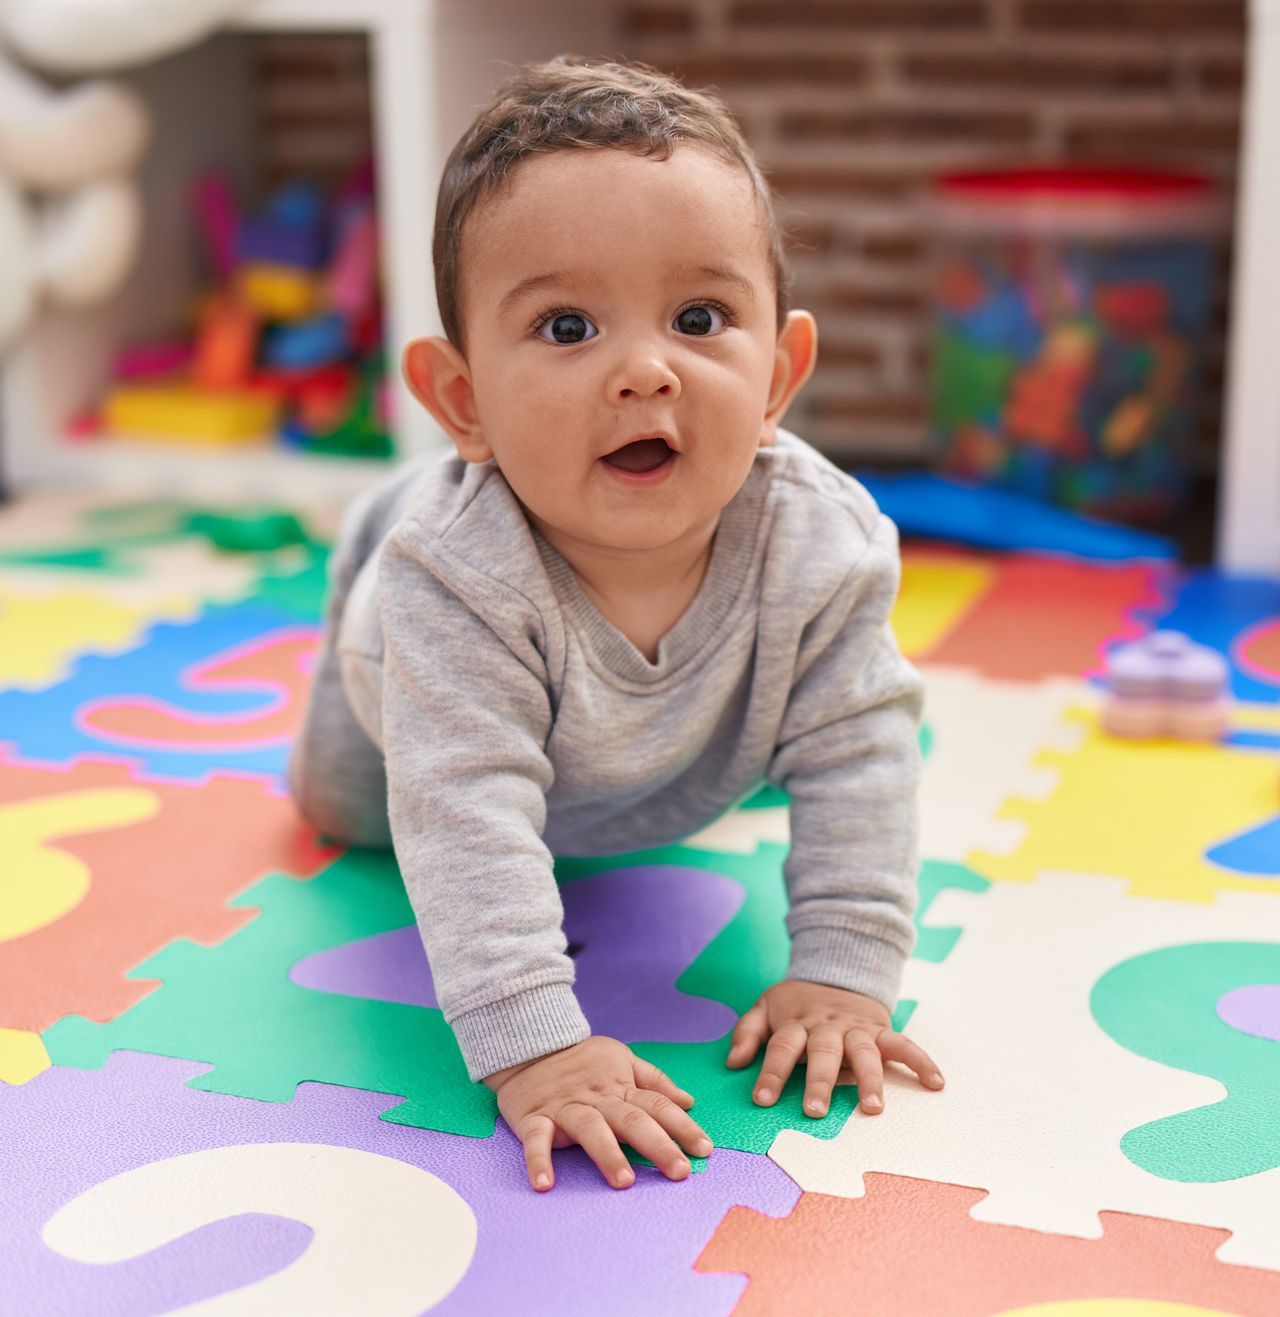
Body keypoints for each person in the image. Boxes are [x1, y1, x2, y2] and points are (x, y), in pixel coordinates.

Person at [289, 54, 944, 1194]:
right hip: (407, 692)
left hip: (659, 754)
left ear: (780, 371)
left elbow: (860, 756)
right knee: (353, 820)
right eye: (565, 326)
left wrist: (844, 971)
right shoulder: (451, 580)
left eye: (698, 318)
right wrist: (536, 1046)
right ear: (463, 402)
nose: (645, 370)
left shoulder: (823, 547)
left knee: (792, 747)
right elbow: (462, 814)